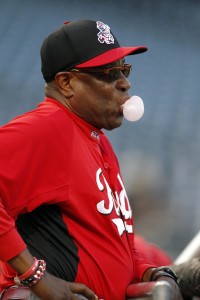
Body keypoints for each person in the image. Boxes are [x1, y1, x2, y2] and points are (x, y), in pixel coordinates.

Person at [0, 19, 182, 300]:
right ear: (67, 82)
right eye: (109, 73)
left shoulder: (98, 140)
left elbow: (118, 247)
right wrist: (34, 275)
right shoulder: (48, 127)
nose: (125, 83)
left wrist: (152, 273)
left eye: (124, 69)